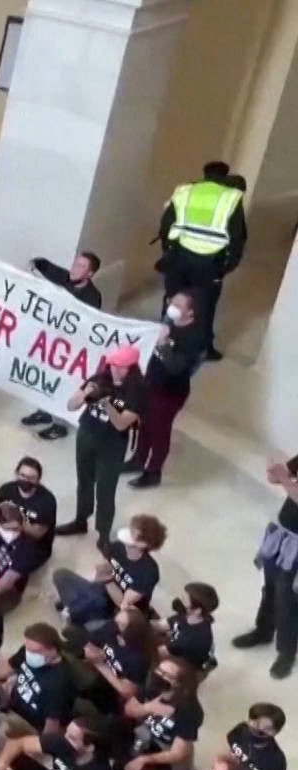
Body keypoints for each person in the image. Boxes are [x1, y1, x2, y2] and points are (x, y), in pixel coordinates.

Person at [56, 344, 145, 552]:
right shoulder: (99, 378)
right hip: (87, 434)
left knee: (105, 490)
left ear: (131, 368)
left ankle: (103, 534)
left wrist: (107, 405)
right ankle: (80, 520)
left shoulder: (137, 391)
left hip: (112, 443)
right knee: (84, 480)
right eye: (113, 364)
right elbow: (71, 405)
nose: (115, 369)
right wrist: (85, 393)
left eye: (122, 366)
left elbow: (122, 423)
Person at [157, 160, 247, 361]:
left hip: (179, 257)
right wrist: (227, 266)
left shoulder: (184, 191)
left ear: (205, 173)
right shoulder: (230, 197)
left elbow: (166, 224)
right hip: (210, 263)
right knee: (205, 305)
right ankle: (204, 348)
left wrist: (168, 251)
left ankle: (162, 339)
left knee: (172, 299)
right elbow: (237, 235)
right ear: (224, 176)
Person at [20, 251, 104, 439]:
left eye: (82, 267)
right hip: (51, 342)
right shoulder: (65, 277)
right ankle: (44, 411)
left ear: (90, 274)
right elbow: (44, 264)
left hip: (70, 349)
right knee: (45, 377)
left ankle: (59, 424)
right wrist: (34, 264)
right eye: (75, 264)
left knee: (63, 384)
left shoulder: (92, 296)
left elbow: (88, 325)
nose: (75, 269)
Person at [129, 291, 206, 487]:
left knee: (159, 430)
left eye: (179, 306)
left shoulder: (195, 337)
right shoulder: (167, 323)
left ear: (190, 313)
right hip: (151, 382)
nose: (172, 307)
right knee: (144, 422)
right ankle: (139, 459)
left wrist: (163, 344)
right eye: (173, 302)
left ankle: (153, 472)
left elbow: (177, 367)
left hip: (170, 391)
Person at [235, 453, 298, 678]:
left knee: (288, 598)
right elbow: (282, 477)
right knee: (269, 587)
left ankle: (287, 652)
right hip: (282, 532)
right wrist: (275, 472)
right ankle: (263, 630)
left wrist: (284, 478)